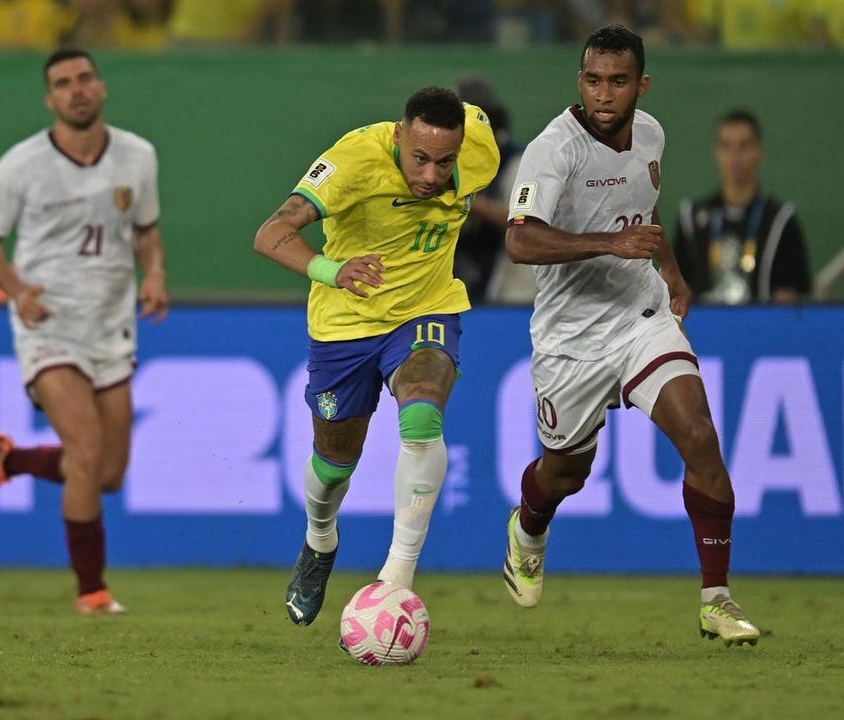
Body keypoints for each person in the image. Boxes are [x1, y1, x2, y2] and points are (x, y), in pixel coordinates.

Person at [502, 25, 760, 645]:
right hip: (570, 337)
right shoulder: (553, 150)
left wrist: (670, 270)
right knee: (567, 472)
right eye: (593, 80)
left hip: (639, 316)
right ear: (579, 82)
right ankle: (528, 528)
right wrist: (609, 243)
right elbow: (519, 239)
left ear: (641, 85)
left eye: (617, 81)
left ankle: (717, 600)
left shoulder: (651, 135)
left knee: (700, 437)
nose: (603, 93)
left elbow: (644, 211)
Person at [254, 87, 500, 625]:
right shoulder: (352, 161)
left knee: (422, 416)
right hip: (345, 324)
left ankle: (395, 581)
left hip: (426, 309)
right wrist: (332, 270)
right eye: (420, 158)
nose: (432, 175)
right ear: (399, 135)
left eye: (445, 162)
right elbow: (270, 234)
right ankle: (320, 540)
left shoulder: (480, 142)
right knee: (333, 466)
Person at [0, 48, 169, 614]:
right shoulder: (20, 166)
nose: (75, 89)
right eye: (62, 83)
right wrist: (15, 289)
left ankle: (8, 461)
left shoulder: (138, 156)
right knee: (84, 450)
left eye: (84, 78)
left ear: (101, 87)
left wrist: (155, 274)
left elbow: (146, 231)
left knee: (108, 473)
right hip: (48, 323)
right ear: (49, 99)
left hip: (110, 323)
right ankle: (92, 592)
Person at [674, 109, 811, 304]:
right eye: (726, 146)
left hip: (763, 323)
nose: (735, 156)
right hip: (703, 323)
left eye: (744, 146)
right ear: (716, 152)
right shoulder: (691, 218)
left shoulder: (780, 220)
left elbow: (787, 299)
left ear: (759, 152)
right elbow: (679, 291)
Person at [452, 74, 535, 304]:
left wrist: (472, 203)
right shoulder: (451, 160)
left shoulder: (518, 161)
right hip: (465, 271)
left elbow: (525, 223)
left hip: (511, 282)